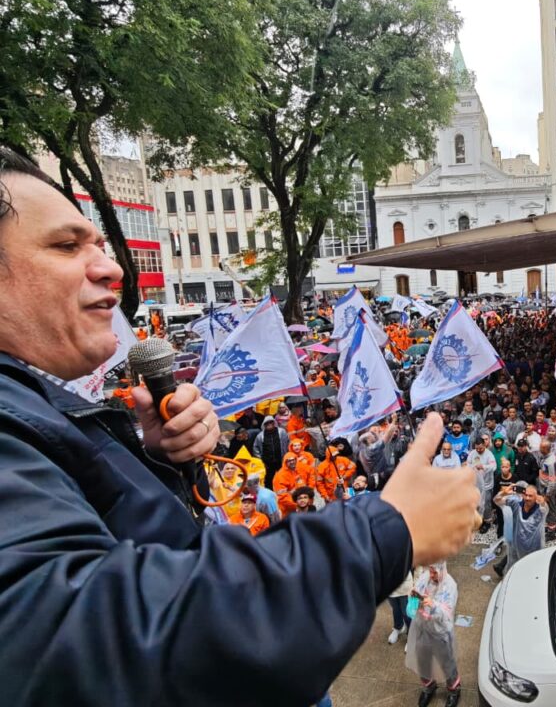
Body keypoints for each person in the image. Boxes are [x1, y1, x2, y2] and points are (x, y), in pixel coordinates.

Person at [0, 150, 480, 705]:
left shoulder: (35, 411)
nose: (111, 269)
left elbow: (112, 562)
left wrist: (150, 462)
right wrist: (382, 534)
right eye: (66, 245)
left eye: (100, 247)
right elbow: (88, 648)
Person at [406, 563, 461, 707]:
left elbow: (447, 614)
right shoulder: (424, 578)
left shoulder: (450, 586)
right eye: (430, 570)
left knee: (447, 663)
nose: (431, 575)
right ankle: (429, 686)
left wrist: (433, 605)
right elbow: (414, 600)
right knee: (422, 660)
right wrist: (413, 598)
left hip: (440, 633)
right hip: (422, 629)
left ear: (442, 569)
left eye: (435, 572)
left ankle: (453, 690)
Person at [493, 484, 546, 578]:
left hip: (533, 548)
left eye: (531, 496)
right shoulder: (516, 504)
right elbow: (496, 500)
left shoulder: (540, 510)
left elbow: (545, 508)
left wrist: (543, 503)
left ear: (536, 497)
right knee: (515, 572)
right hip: (516, 546)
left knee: (531, 573)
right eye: (526, 495)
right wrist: (503, 493)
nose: (527, 498)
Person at [253, 414, 288, 487]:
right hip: (268, 463)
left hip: (281, 460)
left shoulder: (281, 432)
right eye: (267, 423)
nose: (269, 424)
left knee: (283, 477)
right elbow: (255, 448)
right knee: (269, 480)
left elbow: (287, 442)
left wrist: (287, 456)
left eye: (271, 422)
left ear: (274, 422)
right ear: (264, 424)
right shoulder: (260, 436)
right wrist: (260, 460)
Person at [387, 572, 414, 646]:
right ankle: (398, 627)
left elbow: (418, 565)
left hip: (405, 588)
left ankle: (411, 636)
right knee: (396, 609)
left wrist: (417, 582)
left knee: (407, 613)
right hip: (389, 587)